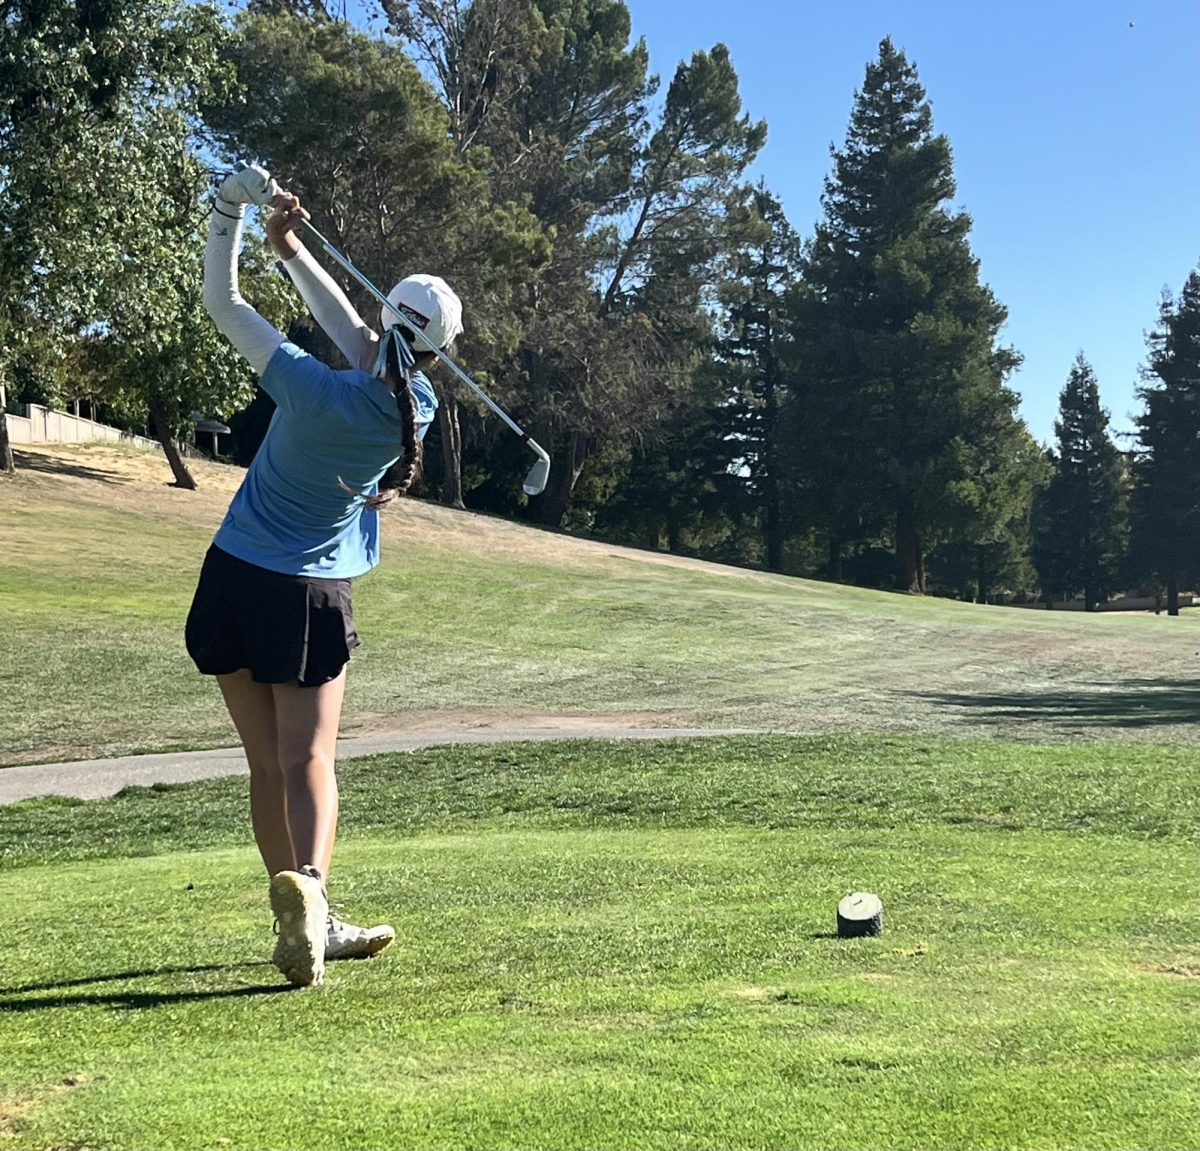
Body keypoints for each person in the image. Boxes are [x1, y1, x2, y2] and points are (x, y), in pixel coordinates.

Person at [188, 162, 462, 987]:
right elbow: (364, 342)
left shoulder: (305, 386)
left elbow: (223, 305)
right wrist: (292, 251)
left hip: (232, 579)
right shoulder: (416, 411)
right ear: (439, 352)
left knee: (267, 766)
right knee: (311, 762)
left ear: (386, 319)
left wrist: (229, 216)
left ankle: (300, 910)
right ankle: (311, 896)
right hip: (307, 596)